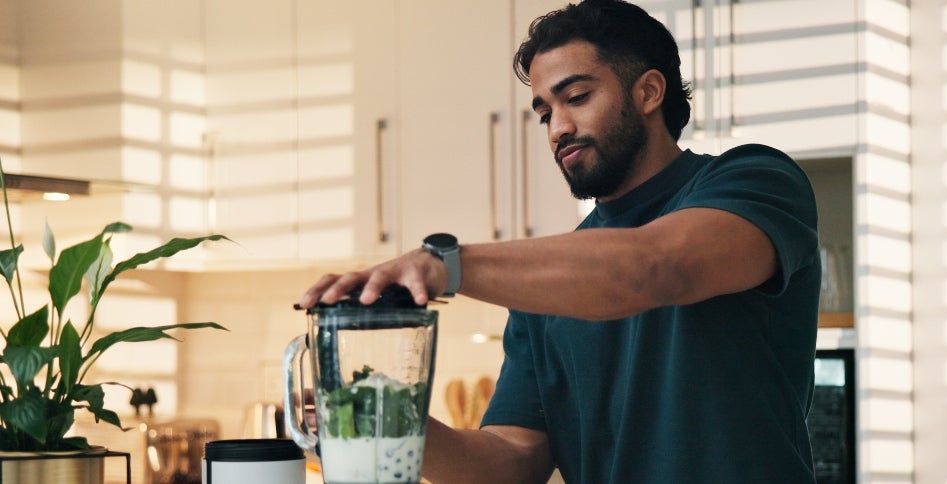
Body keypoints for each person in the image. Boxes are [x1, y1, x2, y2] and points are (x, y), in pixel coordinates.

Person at [298, 0, 821, 482]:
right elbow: (514, 462)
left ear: (649, 92)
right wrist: (391, 419)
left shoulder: (753, 181)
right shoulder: (549, 282)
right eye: (545, 113)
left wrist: (443, 264)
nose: (557, 129)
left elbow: (656, 267)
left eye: (577, 98)